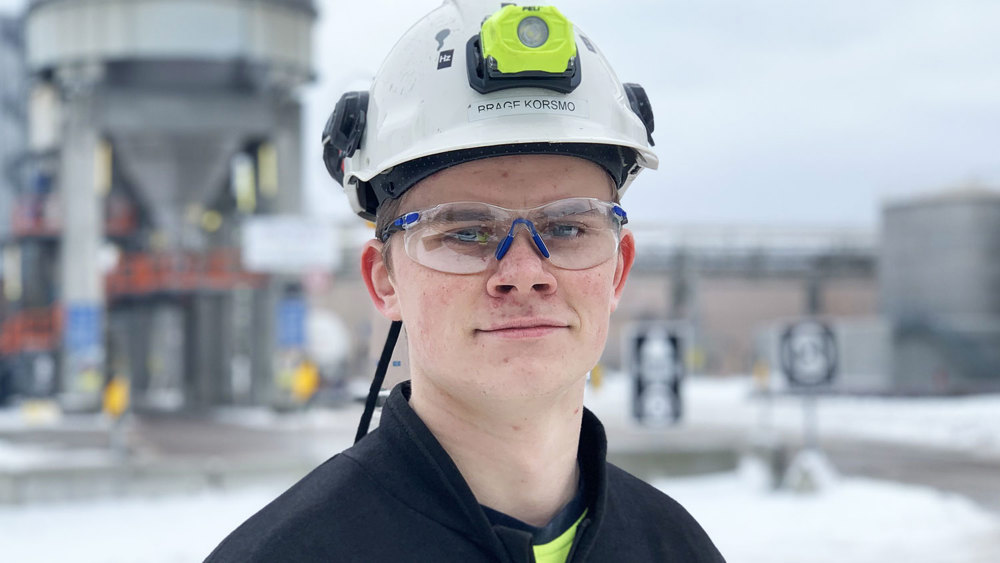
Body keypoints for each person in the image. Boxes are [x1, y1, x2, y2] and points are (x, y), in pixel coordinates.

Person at [207, 1, 724, 561]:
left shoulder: (676, 547)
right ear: (385, 281)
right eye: (467, 233)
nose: (524, 274)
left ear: (618, 268)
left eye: (569, 226)